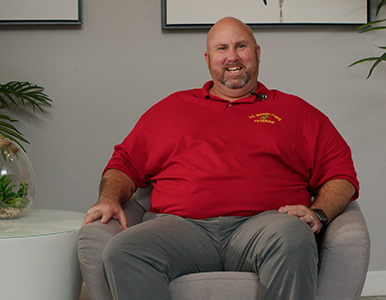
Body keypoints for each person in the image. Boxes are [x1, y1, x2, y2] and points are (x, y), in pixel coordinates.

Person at [83, 17, 358, 300]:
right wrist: (109, 198)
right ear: (208, 58)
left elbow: (341, 174)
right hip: (182, 229)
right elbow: (123, 164)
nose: (232, 57)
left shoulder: (296, 111)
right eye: (222, 48)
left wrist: (319, 212)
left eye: (241, 46)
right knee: (123, 250)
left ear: (258, 53)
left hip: (265, 226)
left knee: (293, 234)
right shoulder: (171, 109)